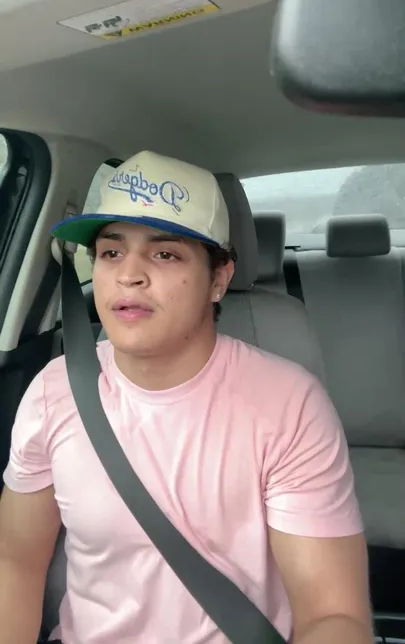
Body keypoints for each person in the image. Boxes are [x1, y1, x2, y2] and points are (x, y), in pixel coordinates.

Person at [0, 151, 373, 644]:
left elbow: (333, 616)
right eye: (111, 253)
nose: (129, 275)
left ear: (218, 278)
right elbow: (16, 563)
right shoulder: (54, 392)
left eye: (164, 254)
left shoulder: (289, 406)